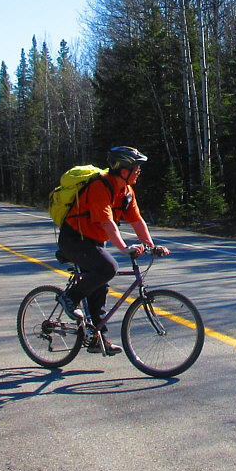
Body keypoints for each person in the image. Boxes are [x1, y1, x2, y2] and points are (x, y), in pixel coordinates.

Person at [56, 146, 169, 355]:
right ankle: (69, 298)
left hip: (94, 241)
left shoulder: (126, 191)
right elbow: (108, 223)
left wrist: (151, 246)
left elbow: (137, 220)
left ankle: (97, 338)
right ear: (123, 169)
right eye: (136, 167)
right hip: (74, 240)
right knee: (108, 268)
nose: (139, 171)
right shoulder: (101, 187)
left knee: (101, 284)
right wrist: (125, 248)